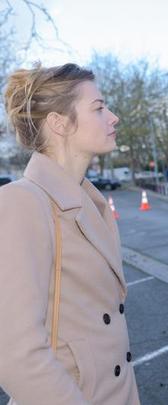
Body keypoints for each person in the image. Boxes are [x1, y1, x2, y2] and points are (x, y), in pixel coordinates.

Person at [0, 63, 140, 405]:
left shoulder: (89, 200)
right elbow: (16, 356)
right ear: (59, 122)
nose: (113, 117)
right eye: (99, 108)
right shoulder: (21, 202)